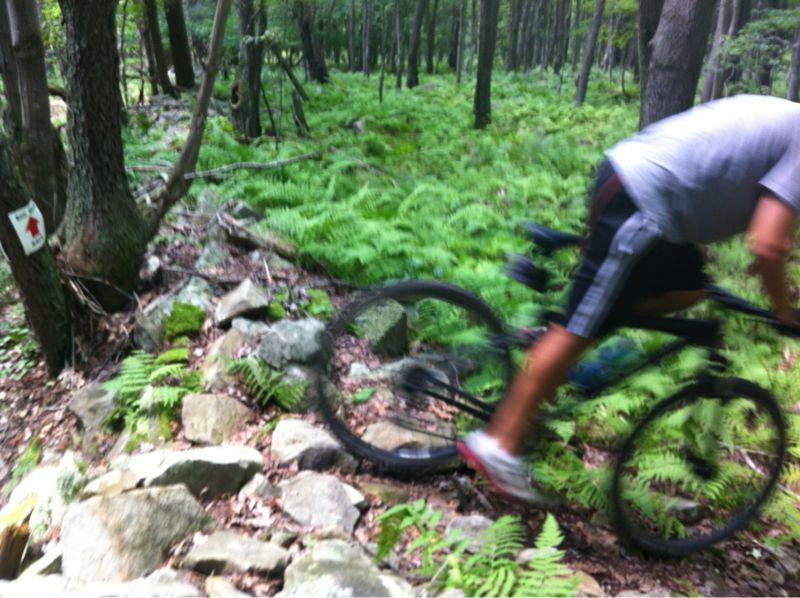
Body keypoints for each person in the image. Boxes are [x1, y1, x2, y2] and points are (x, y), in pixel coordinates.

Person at [457, 94, 800, 503]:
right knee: (577, 328)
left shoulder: (788, 119)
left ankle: (568, 341)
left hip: (653, 201)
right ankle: (497, 445)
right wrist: (784, 311)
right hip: (644, 203)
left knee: (691, 288)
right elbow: (767, 242)